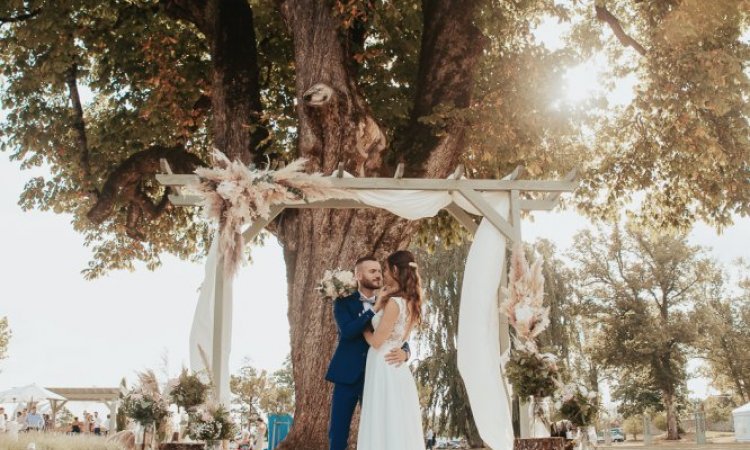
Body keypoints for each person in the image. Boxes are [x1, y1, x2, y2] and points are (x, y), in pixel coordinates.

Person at [326, 255, 411, 450]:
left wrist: (406, 353)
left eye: (380, 271)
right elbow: (348, 331)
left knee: (378, 431)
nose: (378, 275)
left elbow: (400, 334)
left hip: (378, 376)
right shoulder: (343, 302)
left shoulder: (393, 301)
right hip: (346, 375)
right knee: (338, 433)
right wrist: (374, 309)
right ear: (358, 275)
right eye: (372, 271)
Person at [357, 250, 426, 450]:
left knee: (381, 416)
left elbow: (377, 341)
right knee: (396, 418)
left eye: (386, 269)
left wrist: (363, 328)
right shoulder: (413, 303)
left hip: (383, 362)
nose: (384, 274)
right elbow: (401, 338)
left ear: (395, 270)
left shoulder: (395, 303)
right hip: (396, 366)